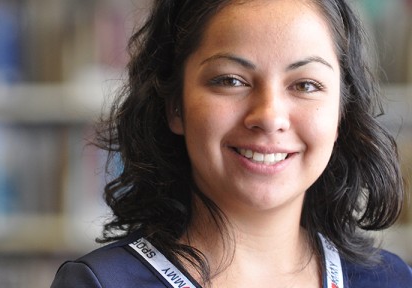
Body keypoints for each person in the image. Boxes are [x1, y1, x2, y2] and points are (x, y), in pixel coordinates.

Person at [51, 0, 412, 287]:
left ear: (341, 115)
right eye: (231, 80)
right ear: (174, 107)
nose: (269, 116)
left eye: (305, 85)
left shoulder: (390, 280)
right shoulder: (104, 283)